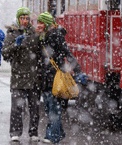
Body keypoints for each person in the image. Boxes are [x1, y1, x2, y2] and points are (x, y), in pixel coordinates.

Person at [36, 12, 86, 144]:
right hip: (47, 77)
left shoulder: (55, 36)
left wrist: (78, 71)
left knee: (53, 108)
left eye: (41, 23)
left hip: (54, 77)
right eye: (38, 22)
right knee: (50, 108)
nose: (38, 25)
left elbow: (67, 53)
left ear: (47, 24)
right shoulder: (44, 36)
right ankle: (57, 133)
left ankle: (52, 136)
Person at [1, 7, 41, 142]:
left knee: (34, 107)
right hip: (18, 77)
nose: (25, 21)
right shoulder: (12, 33)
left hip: (33, 77)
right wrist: (15, 45)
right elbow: (5, 53)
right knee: (17, 107)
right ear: (18, 19)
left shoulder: (34, 33)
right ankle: (15, 132)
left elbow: (41, 51)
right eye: (22, 18)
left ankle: (33, 132)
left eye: (27, 18)